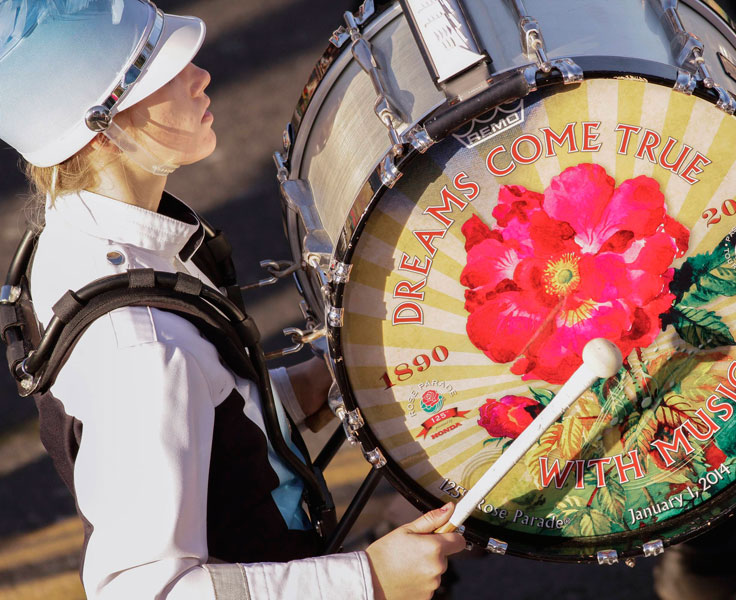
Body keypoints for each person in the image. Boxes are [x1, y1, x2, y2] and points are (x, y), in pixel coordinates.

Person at [0, 1, 464, 598]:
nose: (200, 75)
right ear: (102, 129)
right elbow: (144, 590)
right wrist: (368, 578)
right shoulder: (138, 349)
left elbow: (191, 417)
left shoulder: (74, 240)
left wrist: (312, 384)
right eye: (162, 70)